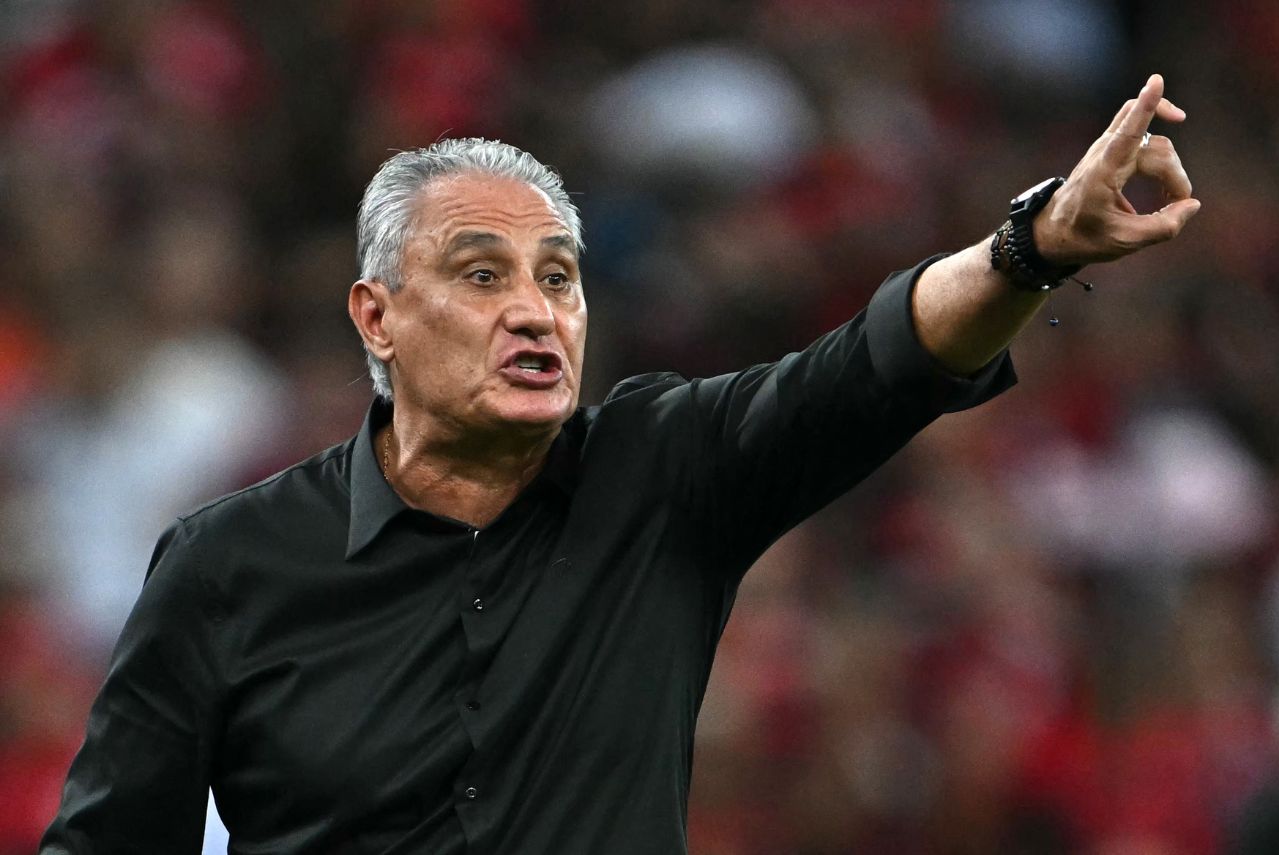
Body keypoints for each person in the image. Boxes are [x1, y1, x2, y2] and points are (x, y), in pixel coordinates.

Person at [40, 74, 1197, 854]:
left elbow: (871, 364)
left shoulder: (660, 474)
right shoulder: (225, 564)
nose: (536, 312)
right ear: (377, 317)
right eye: (483, 275)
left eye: (559, 276)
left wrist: (1028, 248)